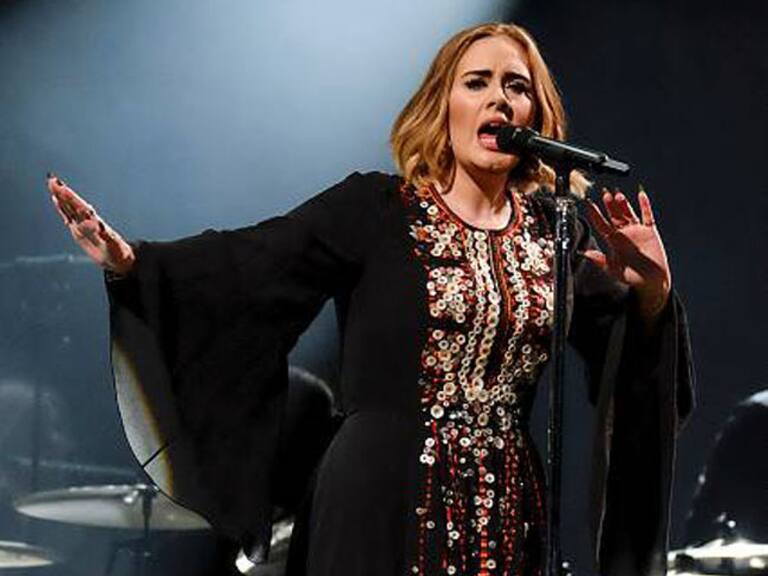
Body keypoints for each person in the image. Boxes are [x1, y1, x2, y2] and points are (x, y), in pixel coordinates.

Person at [46, 22, 694, 576]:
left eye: (516, 86)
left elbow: (631, 370)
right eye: (477, 82)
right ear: (443, 105)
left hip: (505, 519)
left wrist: (653, 295)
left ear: (535, 116)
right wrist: (133, 262)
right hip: (376, 503)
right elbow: (250, 262)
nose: (499, 98)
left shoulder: (555, 235)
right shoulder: (376, 211)